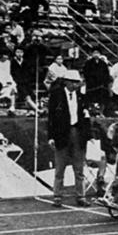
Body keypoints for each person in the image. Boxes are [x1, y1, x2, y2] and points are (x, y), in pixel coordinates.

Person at [47, 70, 91, 207]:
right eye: (73, 82)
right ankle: (57, 196)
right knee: (60, 167)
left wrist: (87, 134)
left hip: (77, 132)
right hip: (61, 133)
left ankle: (81, 196)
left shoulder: (81, 96)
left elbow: (86, 116)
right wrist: (51, 136)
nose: (76, 85)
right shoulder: (56, 95)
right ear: (67, 82)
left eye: (77, 82)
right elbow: (51, 118)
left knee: (79, 168)